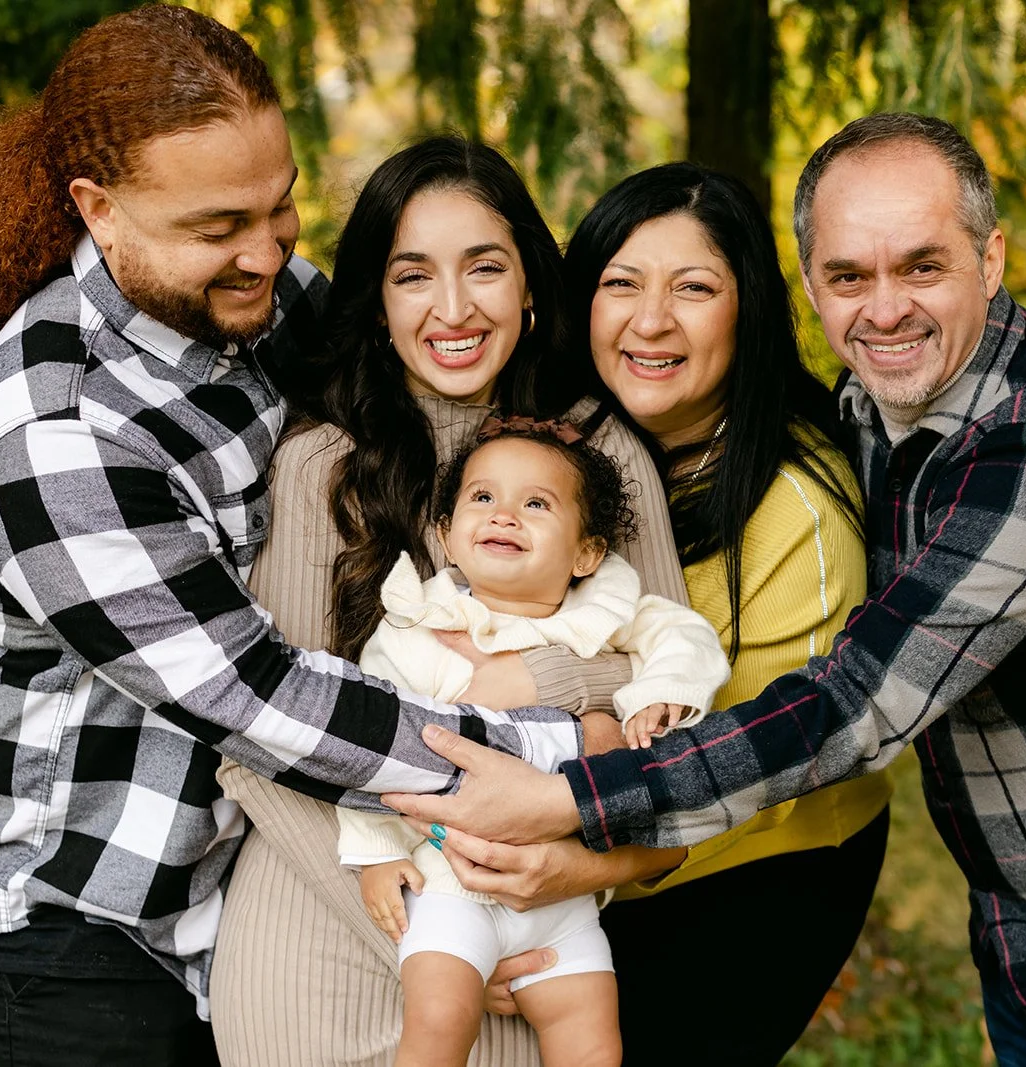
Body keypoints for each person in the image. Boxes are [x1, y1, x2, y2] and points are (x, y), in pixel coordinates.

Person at [388, 113, 1026, 1067]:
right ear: (812, 285)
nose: (885, 308)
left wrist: (575, 802)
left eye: (922, 266)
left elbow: (857, 705)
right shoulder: (876, 404)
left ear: (991, 260)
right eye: (850, 276)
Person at [0, 10, 584, 1064]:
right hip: (67, 926)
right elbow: (254, 692)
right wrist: (551, 753)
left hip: (230, 899)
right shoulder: (56, 429)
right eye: (219, 226)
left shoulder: (268, 301)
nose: (266, 252)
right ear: (99, 210)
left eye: (282, 204)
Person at [207, 133, 693, 1067]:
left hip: (531, 931)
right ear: (377, 303)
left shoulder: (602, 458)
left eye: (485, 267)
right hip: (326, 938)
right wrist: (430, 936)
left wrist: (534, 689)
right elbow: (260, 742)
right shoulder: (320, 467)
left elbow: (672, 715)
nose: (455, 307)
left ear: (531, 284)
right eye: (413, 275)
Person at [395, 161, 895, 1064]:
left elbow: (766, 759)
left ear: (747, 310)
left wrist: (573, 874)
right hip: (587, 843)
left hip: (753, 871)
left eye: (693, 288)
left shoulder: (798, 511)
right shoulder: (554, 450)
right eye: (621, 283)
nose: (651, 320)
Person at [346, 425, 729, 1066]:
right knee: (439, 1021)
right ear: (446, 534)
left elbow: (683, 637)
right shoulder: (417, 631)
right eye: (483, 497)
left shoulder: (605, 612)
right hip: (449, 880)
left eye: (536, 504)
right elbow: (369, 743)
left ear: (586, 553)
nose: (505, 515)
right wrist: (375, 854)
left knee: (592, 1040)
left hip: (566, 894)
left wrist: (660, 694)